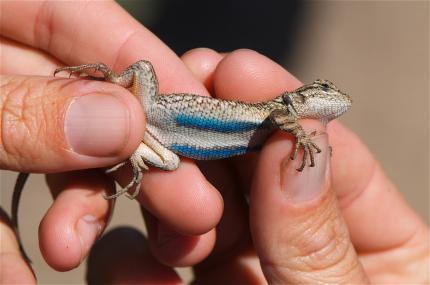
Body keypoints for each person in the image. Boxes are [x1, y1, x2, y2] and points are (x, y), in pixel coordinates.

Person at [0, 2, 428, 284]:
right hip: (163, 111)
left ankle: (128, 154)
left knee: (167, 168)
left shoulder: (277, 133)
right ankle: (110, 86)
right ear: (308, 95)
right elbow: (284, 116)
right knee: (143, 69)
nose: (335, 102)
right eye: (326, 93)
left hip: (170, 140)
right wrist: (298, 130)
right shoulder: (283, 112)